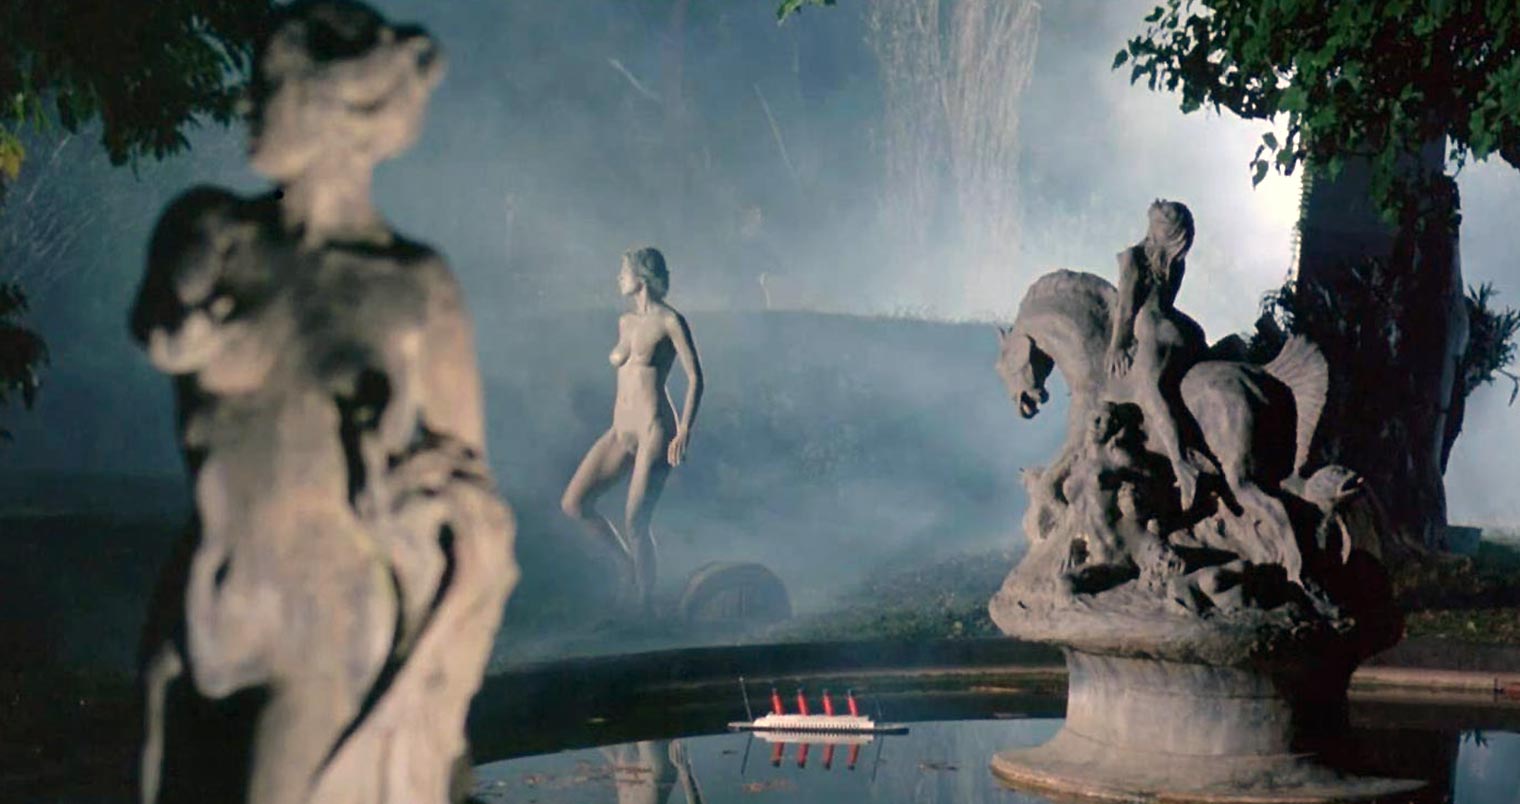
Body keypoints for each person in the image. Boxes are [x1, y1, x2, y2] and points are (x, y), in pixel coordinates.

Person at [561, 247, 703, 616]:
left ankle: (645, 607)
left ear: (641, 277)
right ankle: (627, 568)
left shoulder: (670, 321)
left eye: (622, 272)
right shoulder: (625, 322)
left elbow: (695, 378)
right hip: (620, 430)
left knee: (636, 521)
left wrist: (684, 429)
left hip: (654, 430)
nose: (618, 278)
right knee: (574, 504)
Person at [1105, 200, 1208, 509]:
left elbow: (1125, 308)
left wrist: (1117, 345)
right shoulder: (1176, 263)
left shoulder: (1132, 259)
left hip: (1151, 329)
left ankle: (1181, 463)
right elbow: (1168, 301)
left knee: (1151, 390)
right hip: (1184, 330)